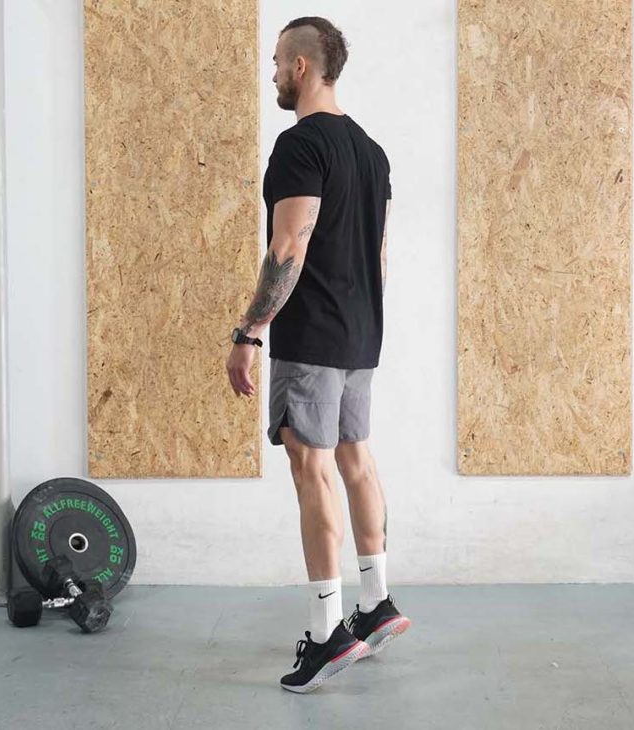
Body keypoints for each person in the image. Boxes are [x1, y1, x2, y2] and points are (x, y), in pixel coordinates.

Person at [225, 16, 410, 693]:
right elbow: (379, 254)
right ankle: (377, 603)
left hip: (312, 337)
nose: (273, 71)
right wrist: (361, 322)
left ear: (301, 67)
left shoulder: (301, 145)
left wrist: (250, 332)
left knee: (313, 470)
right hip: (361, 331)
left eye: (278, 61)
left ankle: (328, 631)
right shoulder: (372, 152)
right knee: (356, 460)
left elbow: (288, 247)